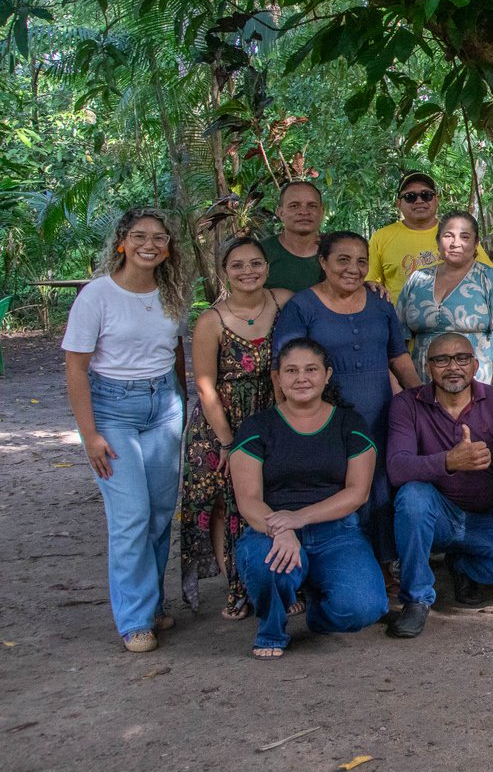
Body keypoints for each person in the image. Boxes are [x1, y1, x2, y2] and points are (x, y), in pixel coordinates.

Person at [63, 208, 189, 653]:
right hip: (112, 409)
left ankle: (151, 606)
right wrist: (89, 434)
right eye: (139, 235)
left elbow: (175, 354)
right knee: (131, 515)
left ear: (169, 246)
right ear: (122, 241)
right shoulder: (97, 295)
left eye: (159, 236)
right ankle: (134, 620)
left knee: (158, 512)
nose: (149, 243)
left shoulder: (172, 293)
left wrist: (182, 405)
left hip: (165, 407)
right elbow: (76, 369)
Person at [230, 338, 390, 658]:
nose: (301, 378)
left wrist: (300, 517)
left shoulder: (350, 423)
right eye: (291, 370)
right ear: (277, 378)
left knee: (363, 609)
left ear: (327, 375)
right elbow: (248, 499)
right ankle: (272, 628)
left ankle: (317, 606)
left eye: (311, 369)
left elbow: (357, 493)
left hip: (337, 533)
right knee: (268, 565)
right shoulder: (257, 427)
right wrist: (282, 528)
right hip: (271, 529)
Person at [385, 333, 493, 638]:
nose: (452, 367)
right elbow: (397, 467)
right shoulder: (407, 404)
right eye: (441, 360)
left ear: (475, 365)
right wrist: (449, 461)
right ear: (427, 367)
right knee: (413, 496)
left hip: (483, 516)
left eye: (461, 359)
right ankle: (416, 599)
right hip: (435, 516)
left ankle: (463, 565)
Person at [275, 231, 422, 562]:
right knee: (336, 485)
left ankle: (383, 566)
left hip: (380, 412)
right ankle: (337, 565)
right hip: (325, 417)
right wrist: (290, 421)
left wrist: (423, 401)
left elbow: (398, 358)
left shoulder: (381, 304)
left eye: (361, 261)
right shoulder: (301, 306)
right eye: (343, 259)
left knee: (380, 486)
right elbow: (283, 367)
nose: (353, 269)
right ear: (323, 262)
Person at [179, 236, 293, 619]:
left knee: (272, 495)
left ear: (267, 266)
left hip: (271, 413)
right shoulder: (211, 320)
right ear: (224, 271)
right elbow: (204, 385)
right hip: (221, 422)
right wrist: (229, 441)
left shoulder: (283, 301)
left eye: (255, 263)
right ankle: (238, 586)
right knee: (224, 504)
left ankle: (281, 580)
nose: (248, 271)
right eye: (238, 265)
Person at [397, 210, 493, 389]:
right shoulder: (417, 279)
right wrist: (407, 387)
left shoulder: (491, 279)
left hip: (479, 385)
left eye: (464, 237)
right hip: (423, 384)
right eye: (448, 236)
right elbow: (397, 340)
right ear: (438, 242)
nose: (456, 243)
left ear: (475, 244)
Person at [366, 171, 490, 299]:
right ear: (398, 203)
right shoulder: (381, 237)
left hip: (459, 316)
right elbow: (371, 282)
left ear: (436, 199)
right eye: (410, 196)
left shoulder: (457, 232)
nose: (419, 201)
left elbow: (489, 275)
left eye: (426, 195)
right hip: (401, 318)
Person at [261, 180, 326, 292]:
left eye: (312, 206)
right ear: (280, 212)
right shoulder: (260, 251)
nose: (304, 212)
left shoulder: (335, 250)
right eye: (294, 206)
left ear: (321, 212)